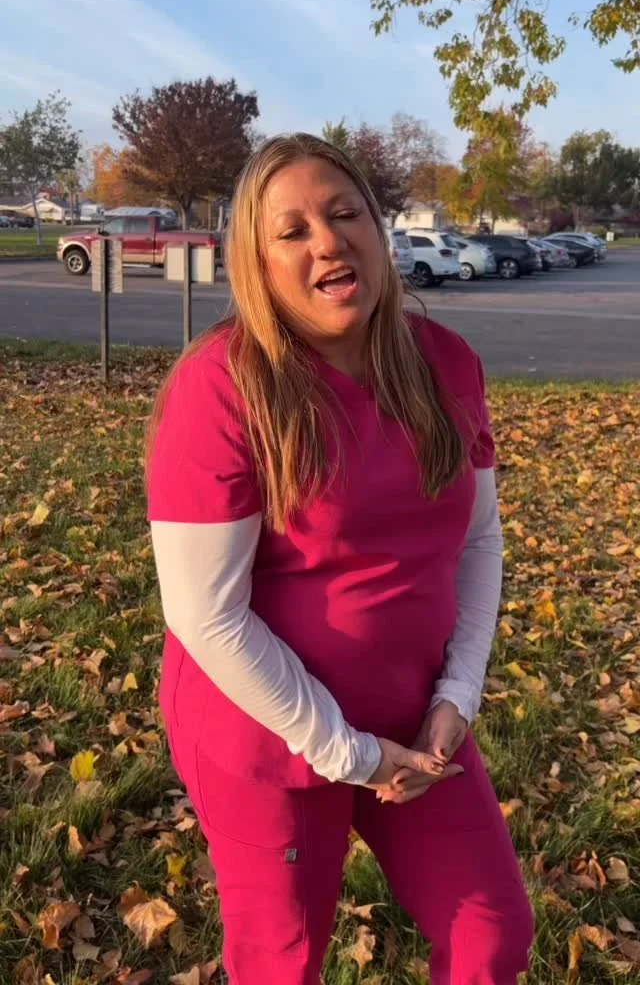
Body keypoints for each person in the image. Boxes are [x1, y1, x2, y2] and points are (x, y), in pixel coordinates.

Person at [146, 134, 533, 985]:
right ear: (257, 265)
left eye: (345, 213)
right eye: (293, 231)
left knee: (493, 937)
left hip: (417, 718)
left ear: (377, 228)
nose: (328, 241)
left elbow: (478, 537)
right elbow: (204, 613)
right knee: (283, 964)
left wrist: (457, 694)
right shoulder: (221, 387)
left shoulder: (446, 364)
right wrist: (347, 752)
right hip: (265, 734)